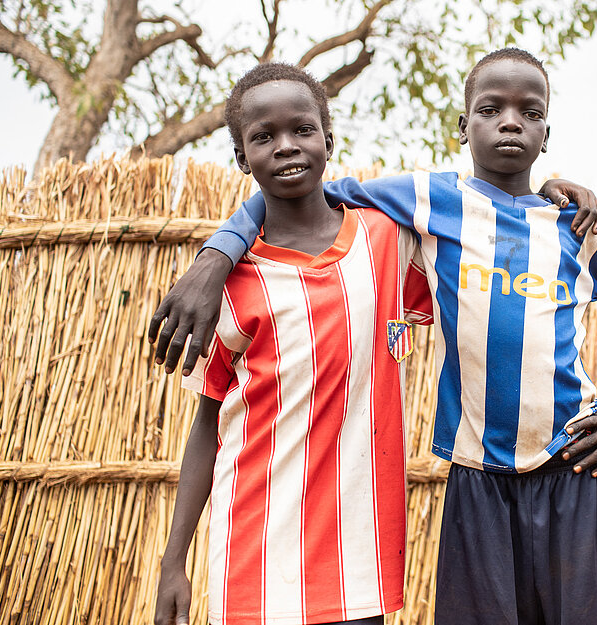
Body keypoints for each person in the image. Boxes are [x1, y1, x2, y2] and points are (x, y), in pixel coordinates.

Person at [154, 48, 597, 624]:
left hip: (556, 474)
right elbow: (298, 189)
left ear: (547, 130)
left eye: (529, 113)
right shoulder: (423, 207)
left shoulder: (550, 230)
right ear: (464, 124)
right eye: (490, 109)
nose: (509, 122)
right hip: (454, 485)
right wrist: (218, 253)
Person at [153, 62, 436, 625]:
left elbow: (484, 220)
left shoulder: (388, 242)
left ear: (327, 140)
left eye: (301, 130)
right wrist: (173, 560)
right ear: (242, 158)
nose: (286, 146)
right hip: (254, 555)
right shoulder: (230, 287)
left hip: (360, 551)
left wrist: (553, 192)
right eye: (263, 136)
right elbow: (208, 424)